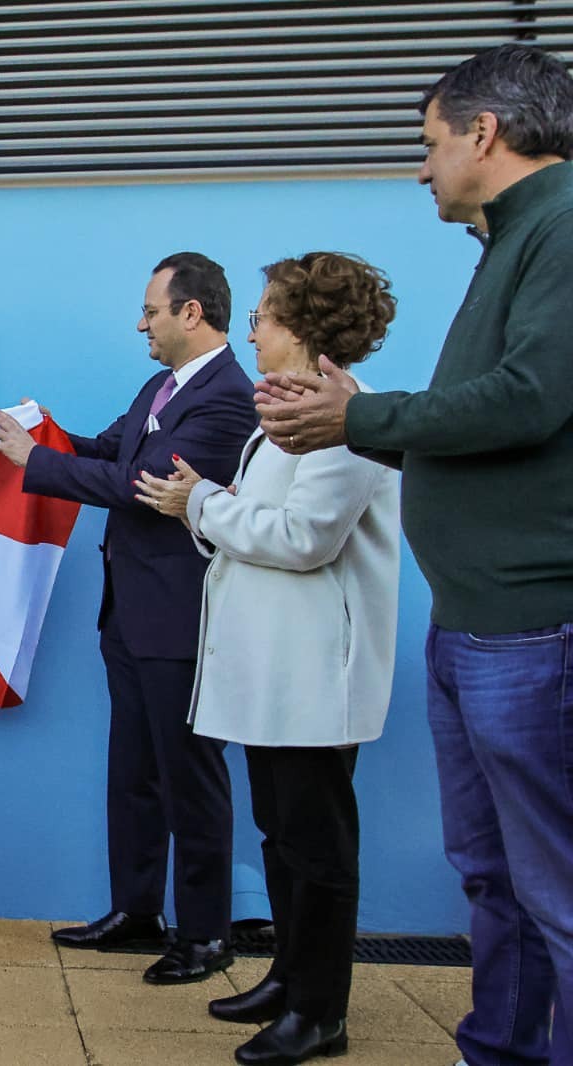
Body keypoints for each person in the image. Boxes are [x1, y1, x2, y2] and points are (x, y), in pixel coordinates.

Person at [254, 44, 573, 1066]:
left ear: (485, 133)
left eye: (429, 143)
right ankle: (501, 1049)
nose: (420, 167)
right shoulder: (516, 240)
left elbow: (528, 400)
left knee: (553, 886)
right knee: (492, 873)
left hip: (533, 627)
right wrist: (351, 425)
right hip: (480, 622)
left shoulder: (562, 228)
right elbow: (475, 421)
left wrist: (361, 414)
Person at [136, 253, 400, 1064]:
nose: (252, 328)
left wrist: (200, 503)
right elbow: (253, 519)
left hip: (316, 672)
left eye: (261, 315)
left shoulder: (342, 422)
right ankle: (289, 977)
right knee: (279, 835)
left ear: (301, 327)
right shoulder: (277, 416)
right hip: (271, 671)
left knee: (318, 849)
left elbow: (303, 539)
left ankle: (321, 1012)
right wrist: (206, 505)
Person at [0, 252, 256, 984]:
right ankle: (137, 912)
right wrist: (38, 434)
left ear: (191, 312)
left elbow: (149, 484)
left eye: (152, 310)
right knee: (133, 771)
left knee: (189, 777)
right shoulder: (160, 385)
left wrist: (32, 461)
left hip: (179, 617)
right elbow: (110, 449)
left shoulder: (229, 397)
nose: (142, 323)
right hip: (129, 614)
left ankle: (205, 935)